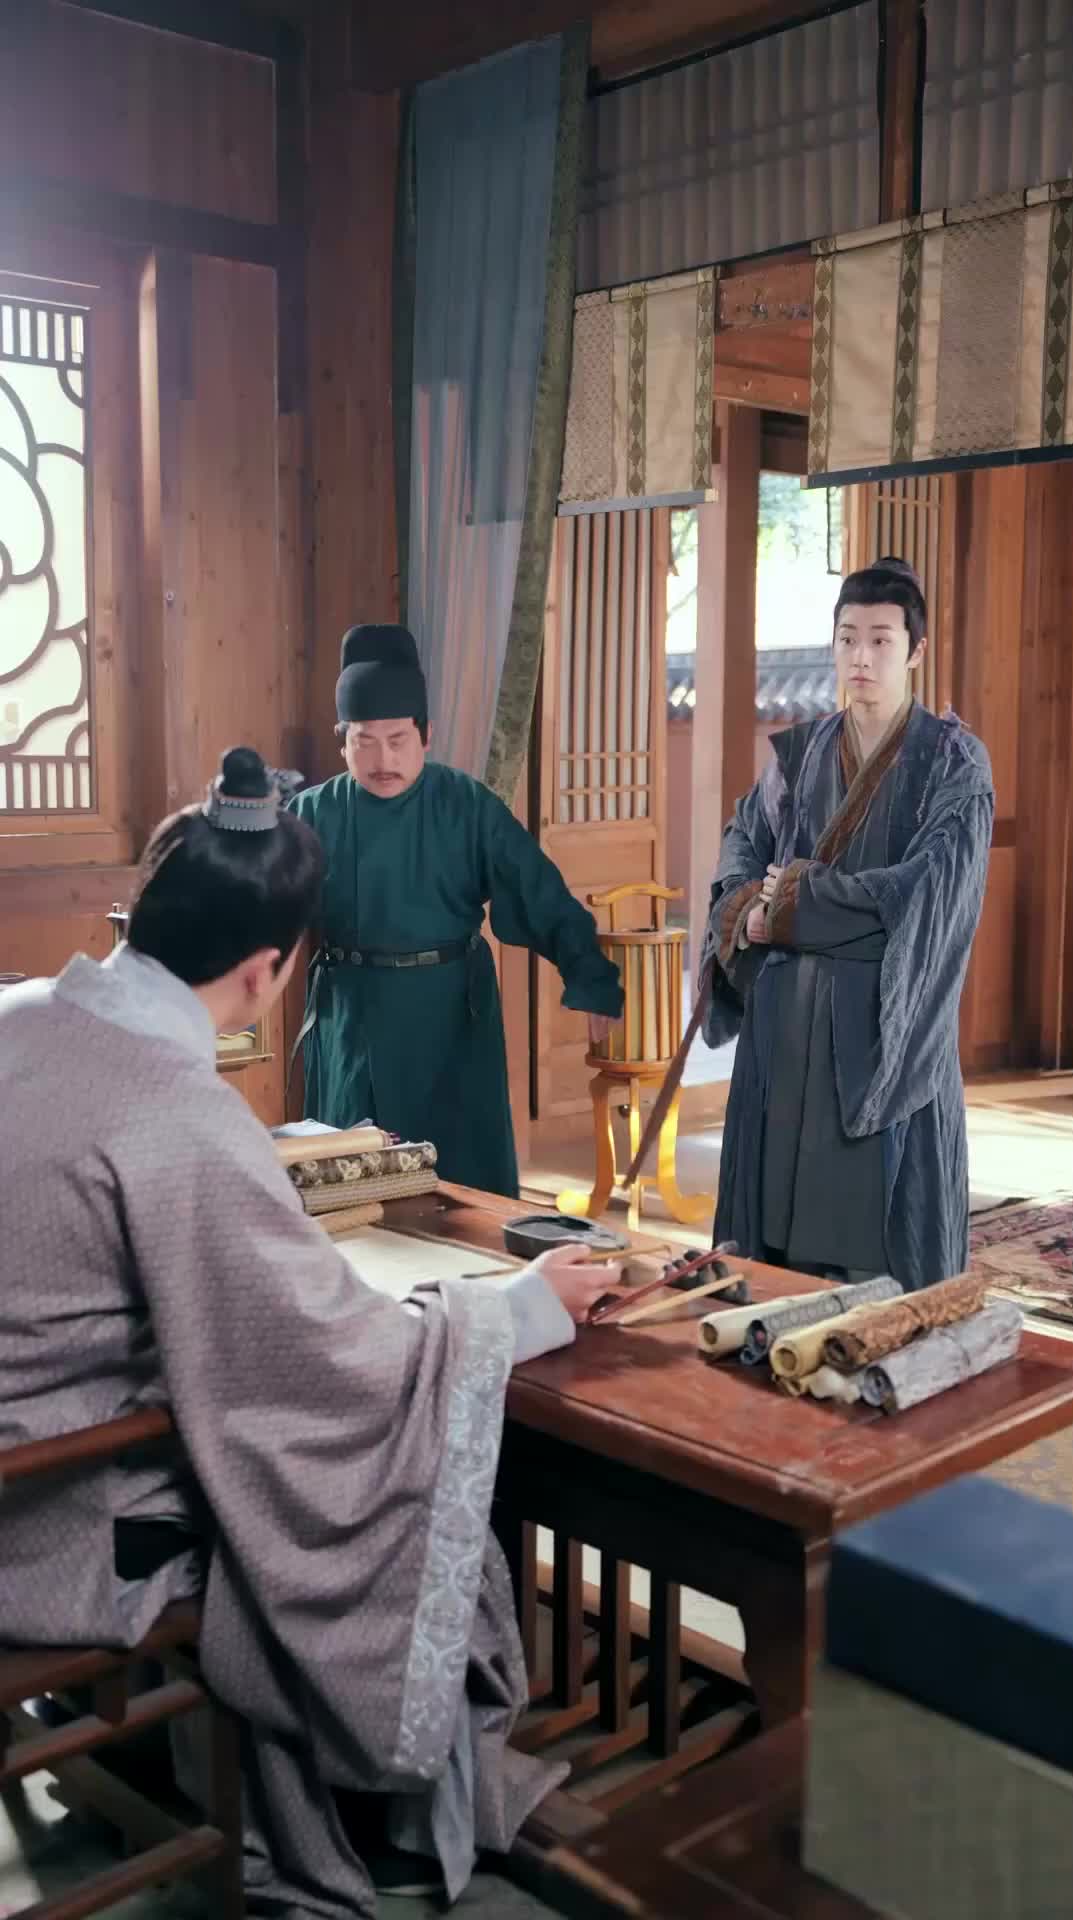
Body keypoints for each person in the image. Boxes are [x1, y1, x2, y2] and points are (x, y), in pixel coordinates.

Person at [0, 747, 620, 1915]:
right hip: (54, 1518)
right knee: (357, 1475)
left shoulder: (20, 1013)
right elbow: (324, 1357)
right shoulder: (177, 1111)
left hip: (27, 1448)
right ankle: (386, 1810)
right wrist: (519, 1310)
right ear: (266, 971)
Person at [700, 558, 993, 1292]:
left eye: (881, 640)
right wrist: (750, 911)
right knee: (773, 1251)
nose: (861, 656)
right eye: (848, 638)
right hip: (787, 1027)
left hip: (881, 1024)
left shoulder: (953, 762)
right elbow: (742, 847)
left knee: (875, 1259)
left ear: (915, 651)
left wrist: (797, 904)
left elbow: (930, 891)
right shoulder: (799, 755)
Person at [288, 624, 624, 1194]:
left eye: (398, 739)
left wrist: (591, 976)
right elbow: (259, 910)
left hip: (450, 1016)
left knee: (462, 1182)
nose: (383, 758)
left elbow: (538, 890)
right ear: (342, 740)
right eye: (365, 741)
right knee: (351, 1181)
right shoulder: (313, 814)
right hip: (352, 1016)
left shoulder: (465, 805)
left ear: (427, 735)